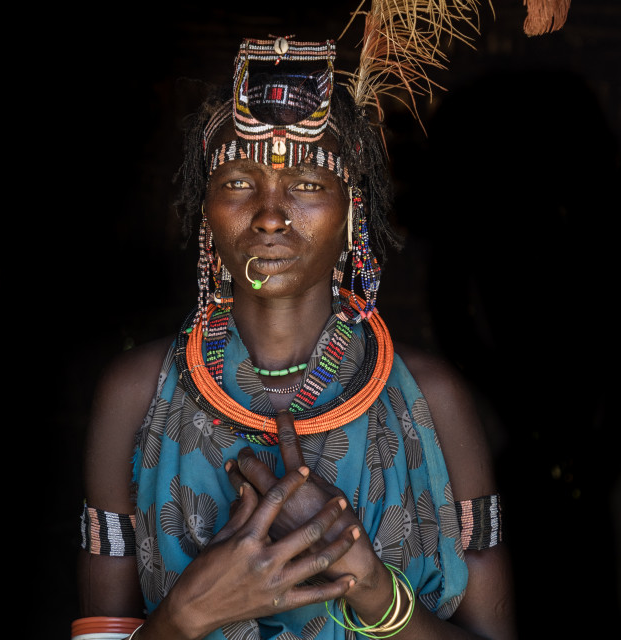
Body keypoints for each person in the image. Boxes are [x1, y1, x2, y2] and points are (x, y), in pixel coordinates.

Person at [75, 33, 516, 640]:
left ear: (352, 211)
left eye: (308, 183)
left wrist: (370, 585)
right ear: (205, 210)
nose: (270, 214)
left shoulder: (434, 400)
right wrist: (190, 611)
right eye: (236, 182)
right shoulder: (134, 394)